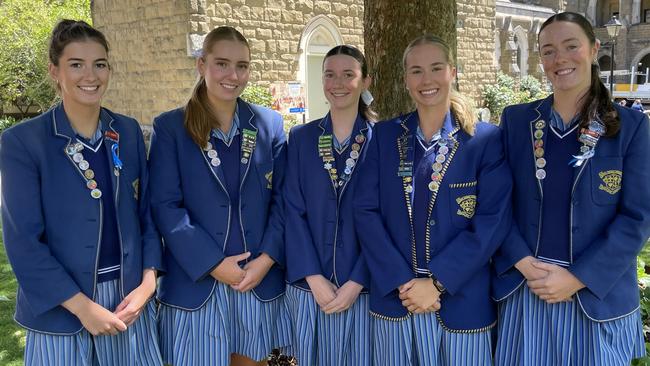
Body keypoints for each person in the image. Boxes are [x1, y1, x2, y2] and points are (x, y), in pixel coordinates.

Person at [0, 19, 163, 365]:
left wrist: (148, 284)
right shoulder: (22, 142)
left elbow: (147, 215)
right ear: (55, 71)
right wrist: (82, 308)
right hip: (62, 307)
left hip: (127, 303)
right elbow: (23, 243)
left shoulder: (129, 131)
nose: (90, 75)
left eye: (99, 64)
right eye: (76, 64)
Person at [492, 12, 650, 366]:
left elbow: (637, 217)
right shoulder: (517, 121)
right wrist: (520, 259)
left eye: (570, 46)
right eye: (548, 51)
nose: (559, 59)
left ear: (593, 50)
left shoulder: (632, 127)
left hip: (596, 295)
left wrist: (579, 277)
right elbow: (496, 203)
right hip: (526, 289)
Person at [353, 34, 512, 366]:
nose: (427, 80)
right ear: (406, 79)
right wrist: (404, 282)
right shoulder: (383, 136)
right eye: (416, 71)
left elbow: (492, 221)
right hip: (397, 300)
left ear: (452, 72)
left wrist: (438, 282)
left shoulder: (483, 140)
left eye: (436, 68)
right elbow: (365, 211)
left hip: (463, 302)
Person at [148, 26, 288, 366]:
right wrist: (212, 264)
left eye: (242, 66)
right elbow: (165, 206)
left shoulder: (269, 124)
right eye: (222, 64)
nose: (233, 75)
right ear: (201, 65)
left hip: (255, 280)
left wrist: (267, 259)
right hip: (196, 283)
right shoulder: (171, 127)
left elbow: (285, 202)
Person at [284, 45, 375, 366]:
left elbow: (391, 219)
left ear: (365, 81)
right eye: (330, 74)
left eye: (348, 74)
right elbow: (292, 209)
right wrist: (312, 275)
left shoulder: (383, 140)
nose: (338, 83)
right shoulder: (301, 138)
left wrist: (357, 281)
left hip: (363, 289)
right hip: (311, 289)